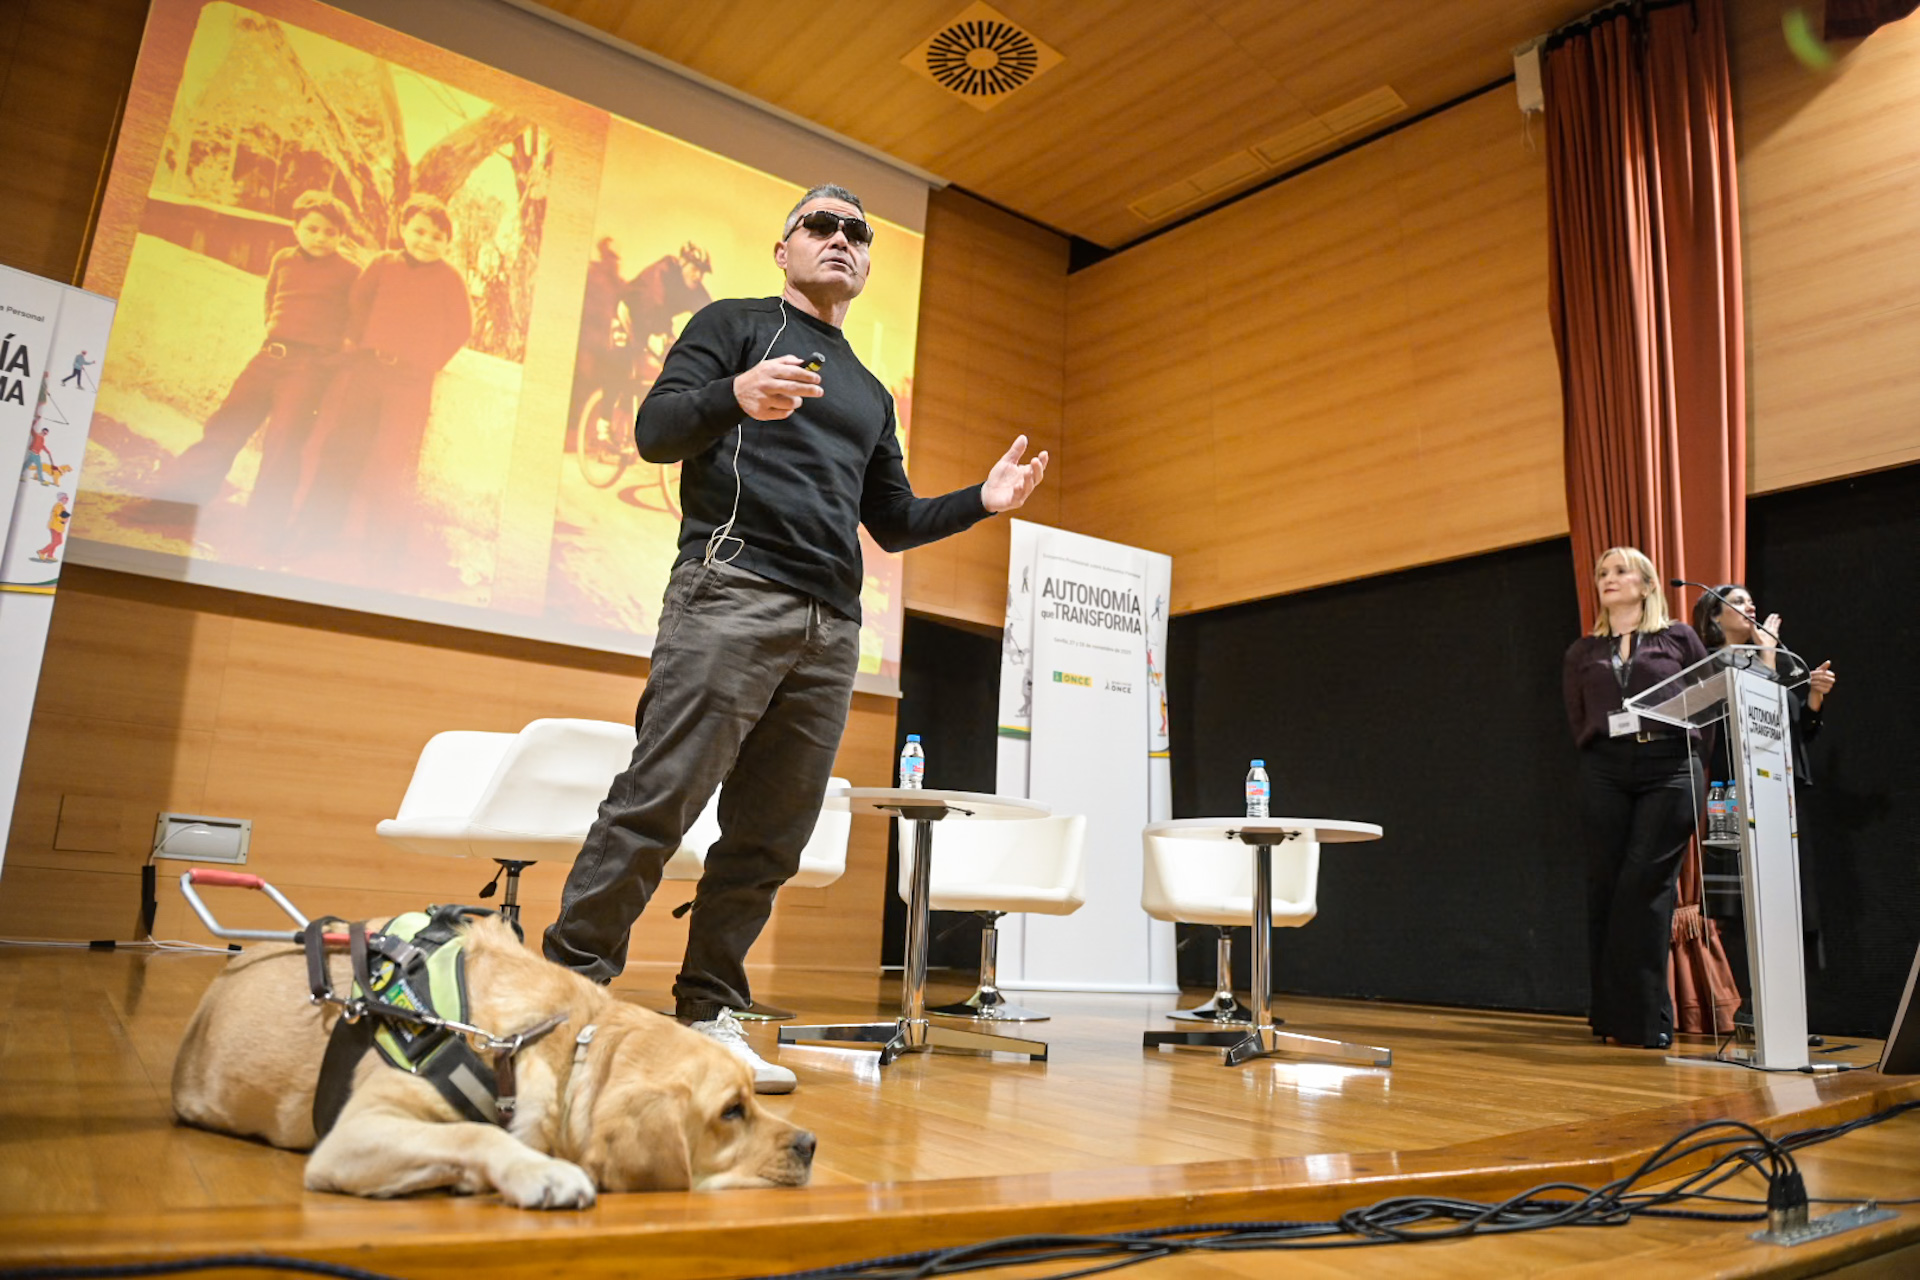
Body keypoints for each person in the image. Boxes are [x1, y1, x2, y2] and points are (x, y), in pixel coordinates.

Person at [543, 184, 1048, 1093]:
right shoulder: (733, 324)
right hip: (731, 591)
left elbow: (889, 521)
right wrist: (735, 395)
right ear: (785, 249)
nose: (841, 240)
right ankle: (567, 997)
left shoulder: (866, 390)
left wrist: (982, 501)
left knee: (769, 839)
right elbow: (655, 432)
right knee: (658, 798)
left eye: (857, 232)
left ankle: (707, 1011)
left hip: (831, 629)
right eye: (821, 225)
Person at [135, 191, 360, 525]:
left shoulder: (350, 271)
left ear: (342, 236)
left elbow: (358, 320)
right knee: (224, 427)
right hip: (267, 358)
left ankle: (262, 530)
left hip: (308, 369)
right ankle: (178, 503)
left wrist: (327, 357)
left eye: (331, 232)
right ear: (296, 227)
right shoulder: (284, 259)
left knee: (282, 447)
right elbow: (271, 298)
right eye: (312, 228)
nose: (320, 237)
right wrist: (275, 326)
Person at [1562, 546, 1709, 1048]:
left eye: (1621, 571)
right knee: (1604, 888)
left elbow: (1704, 703)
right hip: (1605, 768)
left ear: (1646, 584)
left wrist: (1691, 760)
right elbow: (1579, 717)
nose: (1608, 578)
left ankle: (1647, 1021)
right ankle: (1608, 1016)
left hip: (1668, 766)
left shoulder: (1678, 638)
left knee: (1645, 888)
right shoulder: (1583, 651)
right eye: (1603, 572)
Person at [292, 193, 472, 560]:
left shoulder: (450, 279)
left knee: (391, 463)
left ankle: (377, 552)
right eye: (420, 231)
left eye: (438, 236)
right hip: (368, 371)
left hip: (410, 384)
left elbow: (461, 328)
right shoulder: (383, 264)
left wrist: (427, 362)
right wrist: (360, 346)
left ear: (448, 242)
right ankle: (316, 532)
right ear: (403, 229)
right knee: (340, 448)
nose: (427, 241)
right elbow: (359, 303)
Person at [1690, 585, 1838, 968]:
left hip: (1782, 792)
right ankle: (1752, 1007)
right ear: (1714, 618)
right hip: (1735, 791)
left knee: (1788, 900)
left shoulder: (1775, 662)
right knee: (1742, 903)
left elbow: (1794, 730)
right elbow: (1752, 717)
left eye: (1750, 599)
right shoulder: (1708, 664)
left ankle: (1789, 1015)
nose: (1750, 605)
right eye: (1737, 601)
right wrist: (1768, 659)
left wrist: (1815, 699)